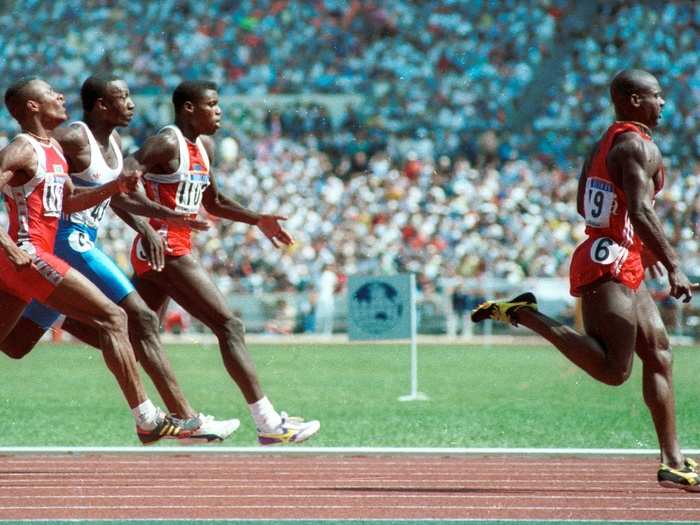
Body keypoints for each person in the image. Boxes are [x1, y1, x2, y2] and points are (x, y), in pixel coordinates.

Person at [471, 69, 699, 491]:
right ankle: (526, 315)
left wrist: (640, 249)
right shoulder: (635, 144)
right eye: (656, 95)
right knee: (615, 370)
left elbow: (586, 200)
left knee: (661, 354)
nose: (663, 103)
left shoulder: (607, 142)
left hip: (620, 255)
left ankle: (673, 461)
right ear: (632, 100)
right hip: (606, 262)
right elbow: (640, 210)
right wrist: (672, 264)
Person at [1, 75, 239, 443]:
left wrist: (138, 207)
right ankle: (165, 418)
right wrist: (8, 244)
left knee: (15, 345)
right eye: (51, 93)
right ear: (32, 106)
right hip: (45, 251)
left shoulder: (66, 147)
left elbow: (79, 199)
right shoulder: (40, 144)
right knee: (125, 318)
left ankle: (158, 414)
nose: (61, 95)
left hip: (46, 253)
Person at [125, 80, 320, 445]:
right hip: (165, 246)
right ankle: (268, 424)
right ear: (188, 109)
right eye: (211, 104)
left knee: (139, 332)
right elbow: (123, 179)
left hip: (166, 246)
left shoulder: (202, 146)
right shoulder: (167, 142)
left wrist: (257, 219)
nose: (219, 112)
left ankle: (166, 420)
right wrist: (151, 224)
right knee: (229, 327)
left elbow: (212, 201)